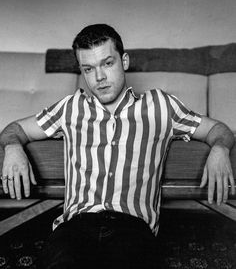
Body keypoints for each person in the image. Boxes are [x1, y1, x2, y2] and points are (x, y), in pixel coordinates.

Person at [0, 24, 235, 269]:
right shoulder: (70, 107)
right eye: (88, 69)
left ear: (124, 61)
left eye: (107, 63)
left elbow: (217, 129)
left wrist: (220, 149)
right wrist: (13, 148)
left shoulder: (160, 106)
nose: (99, 77)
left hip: (132, 229)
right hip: (74, 229)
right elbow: (14, 129)